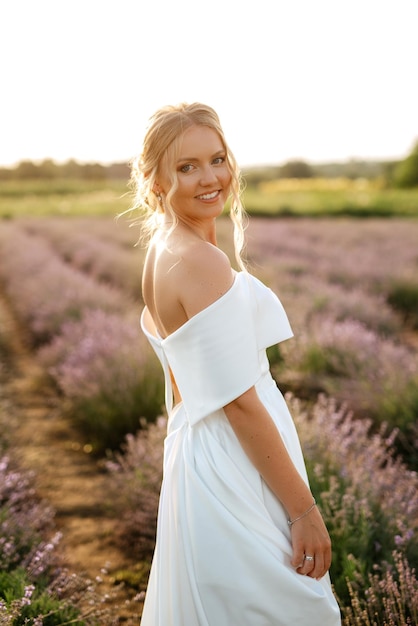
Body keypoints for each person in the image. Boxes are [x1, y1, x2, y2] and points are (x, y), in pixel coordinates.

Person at [132, 102, 341, 625]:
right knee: (292, 608)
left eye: (217, 159)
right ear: (155, 180)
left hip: (200, 455)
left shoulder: (164, 248)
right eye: (187, 166)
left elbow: (185, 389)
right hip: (235, 463)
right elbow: (241, 407)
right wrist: (304, 512)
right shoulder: (199, 260)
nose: (211, 178)